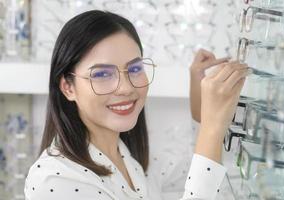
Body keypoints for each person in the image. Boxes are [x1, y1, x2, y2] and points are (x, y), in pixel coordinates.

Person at [24, 10, 249, 200]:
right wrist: (212, 125)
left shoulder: (130, 156)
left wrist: (198, 91)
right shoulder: (53, 180)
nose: (125, 88)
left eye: (134, 69)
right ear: (68, 88)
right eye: (102, 74)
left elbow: (203, 169)